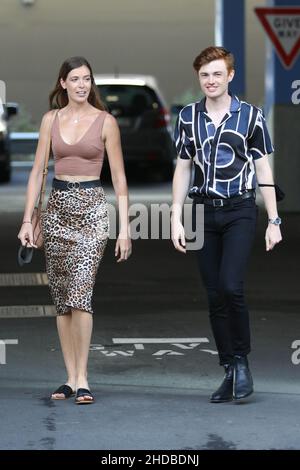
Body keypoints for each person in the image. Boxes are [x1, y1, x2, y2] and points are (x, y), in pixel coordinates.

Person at [18, 56, 132, 404]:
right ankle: (68, 378)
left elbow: (120, 180)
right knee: (62, 301)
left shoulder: (105, 122)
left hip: (92, 211)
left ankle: (83, 378)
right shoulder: (50, 120)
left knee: (81, 294)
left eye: (87, 79)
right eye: (76, 79)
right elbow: (37, 172)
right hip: (57, 211)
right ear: (63, 83)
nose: (83, 84)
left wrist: (124, 228)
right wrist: (27, 219)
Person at [171, 46, 282, 403]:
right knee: (214, 294)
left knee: (231, 286)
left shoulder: (250, 116)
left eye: (217, 74)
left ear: (230, 76)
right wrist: (175, 214)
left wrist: (274, 219)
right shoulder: (188, 116)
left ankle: (243, 360)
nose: (211, 80)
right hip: (203, 212)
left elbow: (263, 169)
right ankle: (230, 368)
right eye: (204, 75)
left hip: (240, 210)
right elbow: (183, 167)